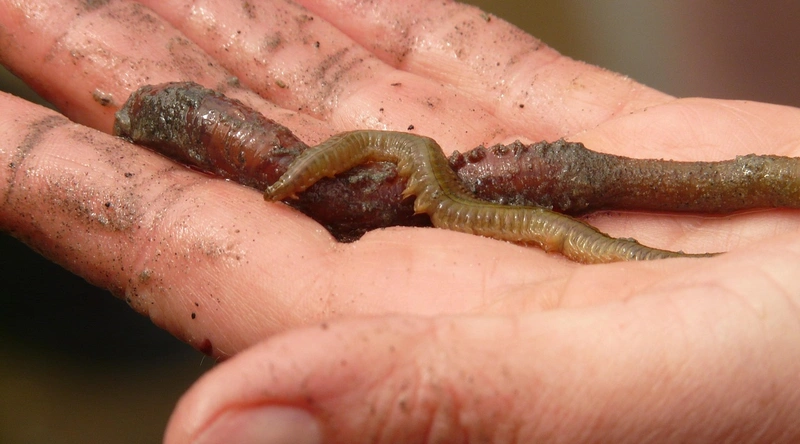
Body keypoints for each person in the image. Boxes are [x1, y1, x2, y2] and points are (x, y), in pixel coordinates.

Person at [2, 0, 799, 442]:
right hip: (500, 181)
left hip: (526, 180)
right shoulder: (333, 174)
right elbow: (385, 170)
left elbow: (416, 176)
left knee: (676, 191)